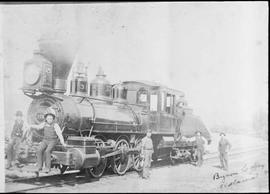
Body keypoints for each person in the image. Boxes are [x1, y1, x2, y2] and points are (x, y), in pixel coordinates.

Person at [29, 108, 66, 173]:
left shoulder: (55, 125)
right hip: (45, 140)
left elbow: (59, 134)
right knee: (39, 150)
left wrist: (62, 142)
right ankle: (39, 167)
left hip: (53, 140)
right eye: (48, 118)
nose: (49, 120)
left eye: (51, 119)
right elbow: (38, 127)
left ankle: (47, 168)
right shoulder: (44, 124)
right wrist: (30, 126)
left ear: (53, 119)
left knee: (47, 151)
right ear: (46, 119)